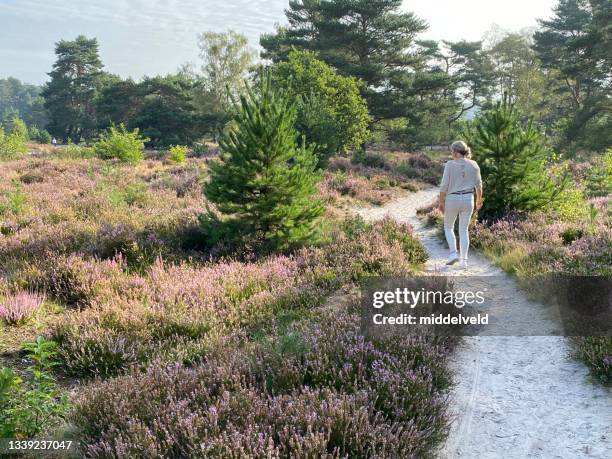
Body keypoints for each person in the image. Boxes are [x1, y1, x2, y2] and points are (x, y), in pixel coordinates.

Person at [437, 140, 483, 269]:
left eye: (452, 151)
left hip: (452, 199)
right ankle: (464, 261)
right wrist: (478, 200)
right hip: (469, 199)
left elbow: (444, 185)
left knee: (448, 227)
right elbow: (479, 185)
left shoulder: (450, 165)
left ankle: (453, 253)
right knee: (464, 231)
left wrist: (441, 202)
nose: (451, 154)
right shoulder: (474, 164)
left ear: (456, 152)